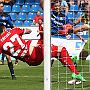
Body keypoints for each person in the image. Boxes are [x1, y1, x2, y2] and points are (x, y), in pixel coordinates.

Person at [0, 2, 16, 80]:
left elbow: (12, 26)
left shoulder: (6, 16)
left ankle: (13, 75)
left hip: (4, 39)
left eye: (2, 6)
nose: (1, 8)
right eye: (0, 6)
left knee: (8, 57)